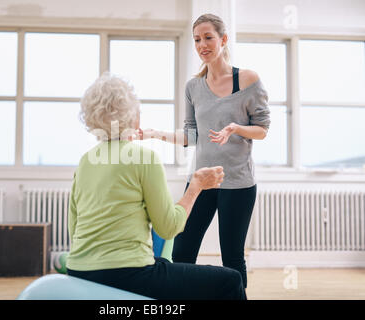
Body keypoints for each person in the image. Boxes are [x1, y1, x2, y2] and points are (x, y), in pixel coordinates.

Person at [66, 73, 246, 300]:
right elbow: (168, 228)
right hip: (126, 274)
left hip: (79, 271)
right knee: (231, 280)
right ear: (134, 118)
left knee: (161, 263)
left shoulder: (86, 160)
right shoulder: (143, 157)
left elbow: (74, 228)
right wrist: (196, 186)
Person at [137, 13, 271, 288]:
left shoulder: (247, 80)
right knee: (182, 252)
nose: (202, 45)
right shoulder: (193, 87)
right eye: (197, 39)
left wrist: (236, 128)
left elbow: (263, 129)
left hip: (238, 183)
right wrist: (155, 134)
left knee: (232, 257)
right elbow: (191, 135)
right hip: (202, 181)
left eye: (208, 37)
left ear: (223, 39)